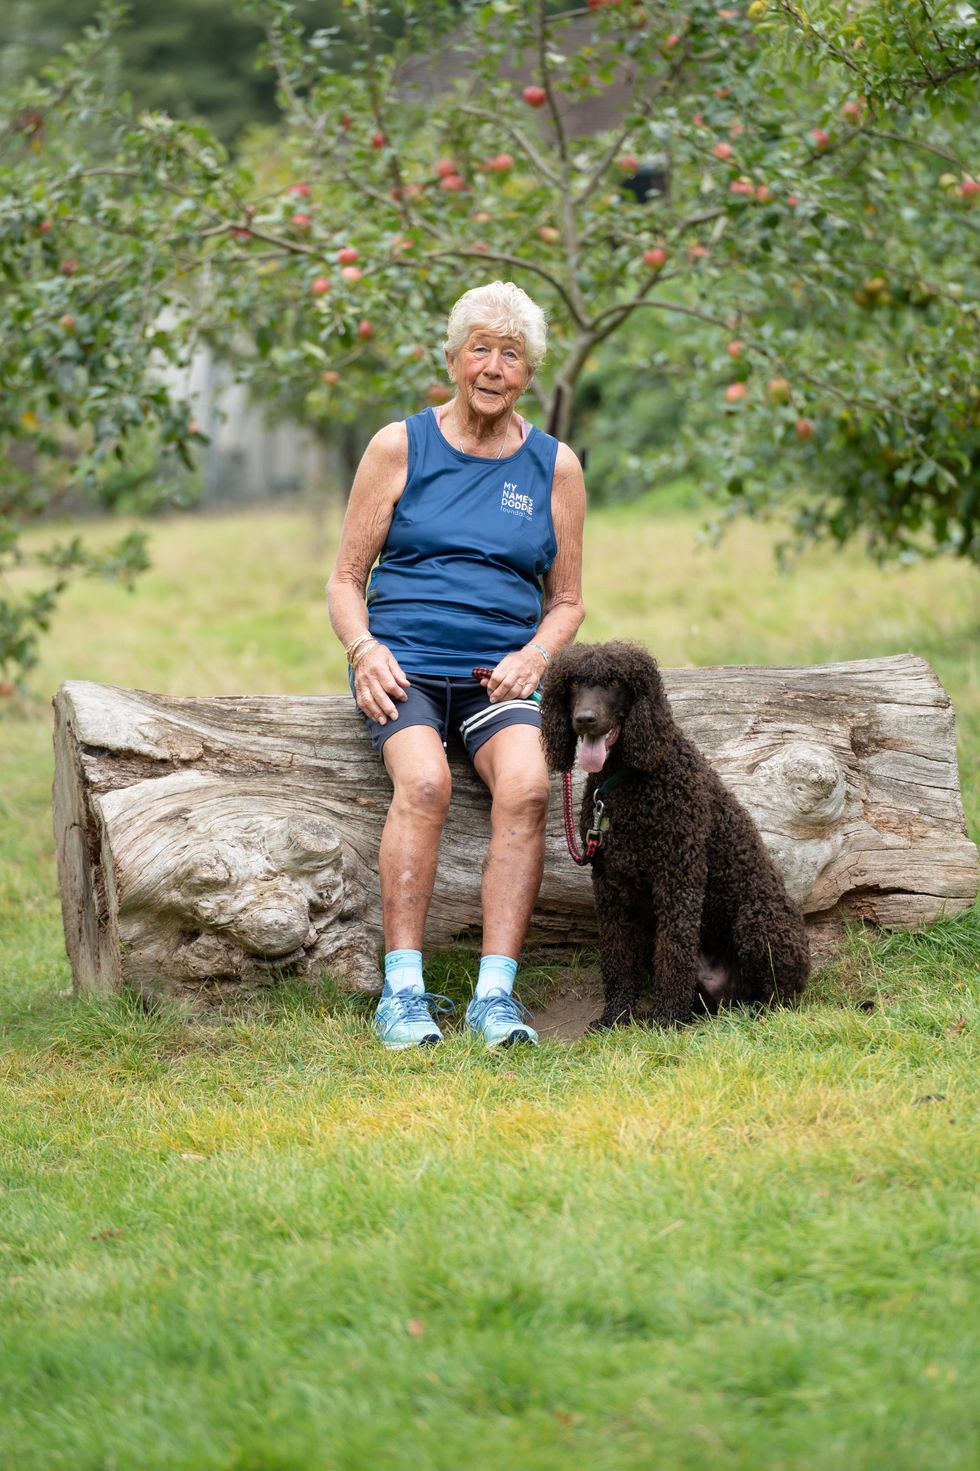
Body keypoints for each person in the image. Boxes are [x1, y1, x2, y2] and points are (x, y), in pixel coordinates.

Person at [326, 280, 586, 1049]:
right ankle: (402, 992)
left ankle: (493, 998)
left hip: (496, 676)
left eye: (512, 354)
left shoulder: (554, 466)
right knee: (426, 782)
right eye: (480, 349)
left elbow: (568, 601)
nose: (494, 367)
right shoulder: (399, 445)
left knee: (529, 786)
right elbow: (345, 580)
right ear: (452, 359)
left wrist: (536, 654)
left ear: (529, 373)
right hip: (401, 666)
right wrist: (363, 649)